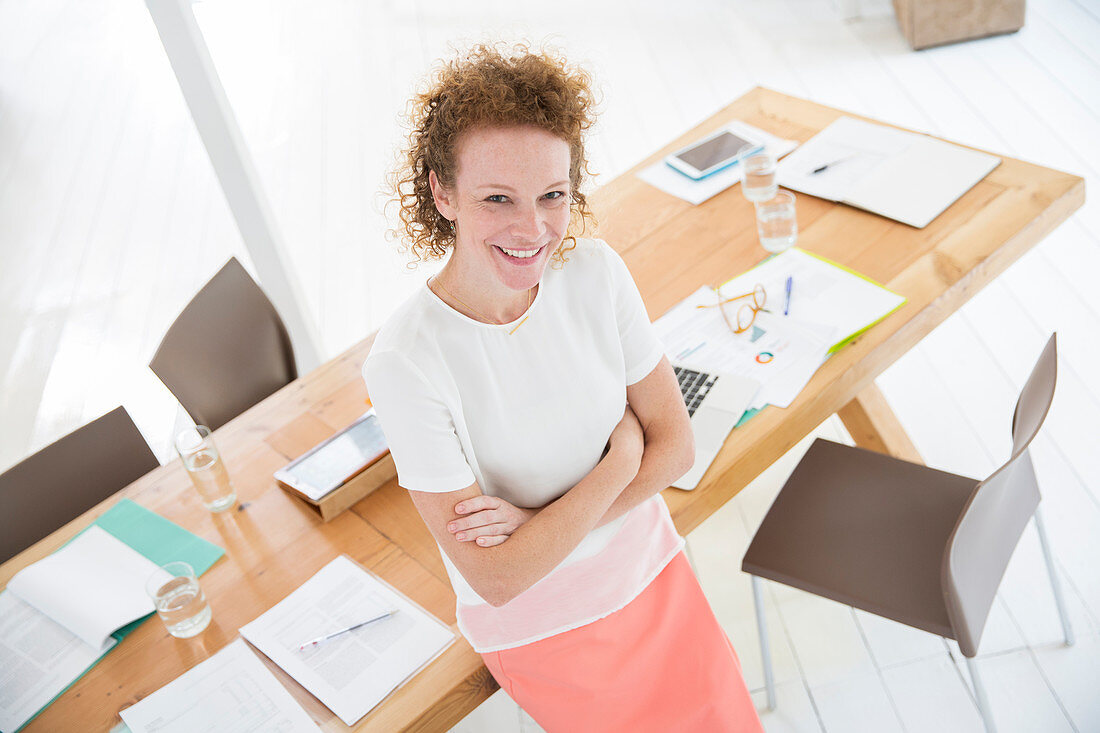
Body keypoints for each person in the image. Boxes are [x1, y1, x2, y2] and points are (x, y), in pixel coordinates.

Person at [364, 43, 763, 731]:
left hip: (653, 571)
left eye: (553, 195)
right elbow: (498, 578)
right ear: (442, 192)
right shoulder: (405, 362)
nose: (533, 228)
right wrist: (619, 462)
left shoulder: (596, 273)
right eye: (498, 199)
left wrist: (540, 528)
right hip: (547, 630)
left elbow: (676, 447)